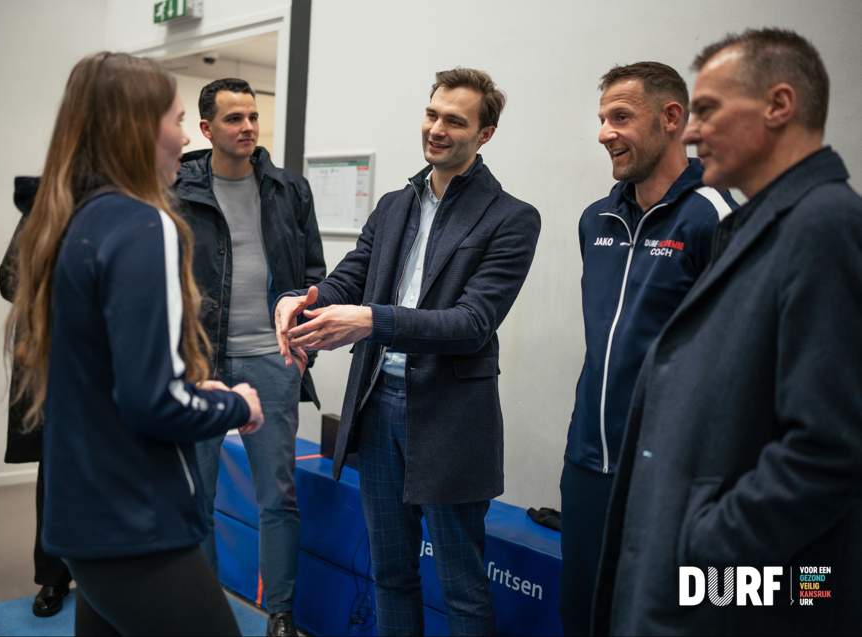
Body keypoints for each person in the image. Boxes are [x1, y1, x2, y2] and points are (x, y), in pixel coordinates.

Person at [594, 28, 862, 635]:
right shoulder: (757, 226)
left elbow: (830, 448)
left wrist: (702, 545)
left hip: (743, 579)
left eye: (708, 110)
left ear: (779, 105)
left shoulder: (825, 227)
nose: (689, 131)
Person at [275, 67, 541, 636]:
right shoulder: (396, 203)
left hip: (448, 421)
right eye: (432, 114)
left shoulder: (511, 218)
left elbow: (471, 324)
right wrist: (302, 298)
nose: (436, 129)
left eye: (455, 121)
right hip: (377, 411)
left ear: (485, 134)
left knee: (462, 587)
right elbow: (350, 279)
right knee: (390, 573)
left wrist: (372, 320)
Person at [5, 51, 264, 636]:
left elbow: (110, 375)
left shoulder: (75, 218)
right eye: (175, 121)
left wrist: (190, 387)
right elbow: (153, 403)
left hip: (81, 516)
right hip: (135, 518)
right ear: (140, 129)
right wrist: (234, 404)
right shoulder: (142, 227)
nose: (181, 137)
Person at [560, 62, 736, 635]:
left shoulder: (715, 216)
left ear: (671, 119)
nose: (605, 132)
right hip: (589, 461)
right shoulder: (596, 220)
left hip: (672, 474)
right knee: (584, 615)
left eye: (621, 117)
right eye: (602, 118)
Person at [172, 77, 325, 637]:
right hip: (203, 364)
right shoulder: (177, 189)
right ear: (207, 129)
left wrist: (305, 341)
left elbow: (314, 276)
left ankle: (280, 613)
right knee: (199, 493)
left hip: (272, 360)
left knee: (278, 495)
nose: (247, 129)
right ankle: (205, 608)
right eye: (234, 119)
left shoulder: (288, 189)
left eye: (253, 117)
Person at [0, 177, 73, 618]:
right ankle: (53, 577)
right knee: (57, 474)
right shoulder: (47, 202)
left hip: (119, 368)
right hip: (60, 362)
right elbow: (11, 278)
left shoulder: (141, 199)